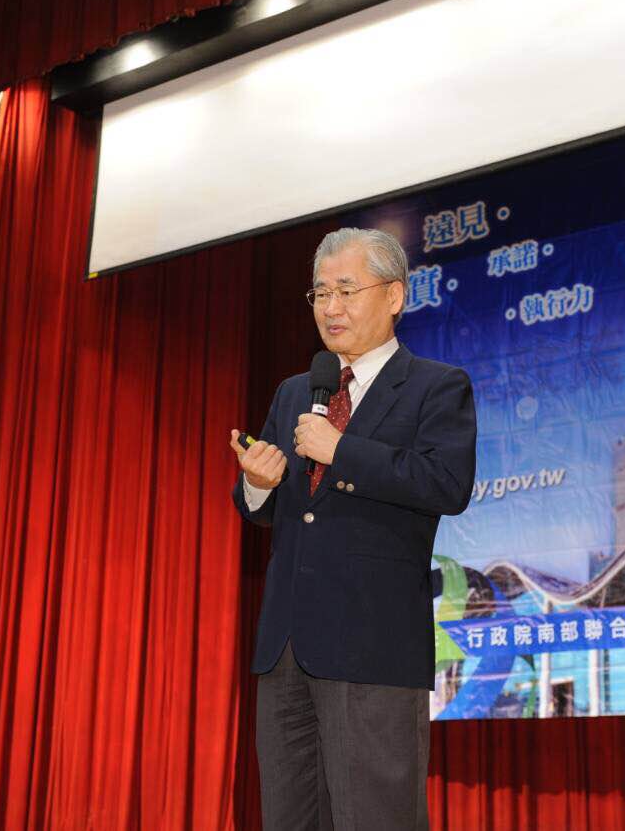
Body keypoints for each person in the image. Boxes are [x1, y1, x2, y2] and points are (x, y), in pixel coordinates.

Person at [229, 227, 477, 830]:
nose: (330, 307)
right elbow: (276, 510)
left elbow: (446, 485)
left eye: (346, 290)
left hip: (374, 647)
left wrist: (342, 449)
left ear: (394, 296)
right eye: (320, 293)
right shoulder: (295, 391)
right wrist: (257, 483)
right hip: (287, 650)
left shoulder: (436, 386)